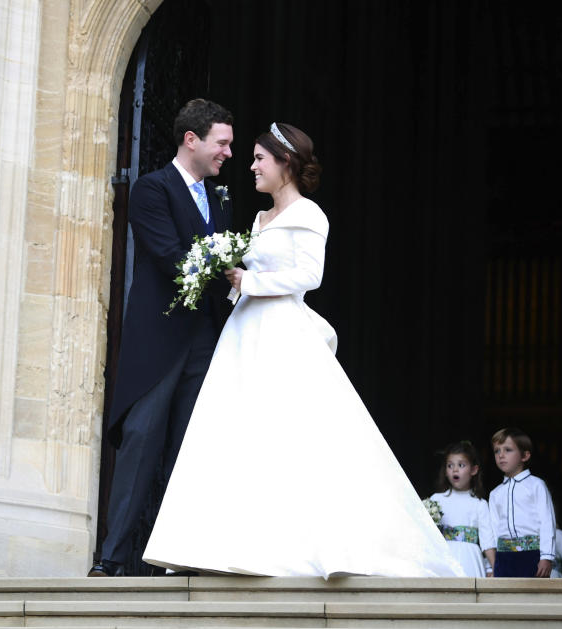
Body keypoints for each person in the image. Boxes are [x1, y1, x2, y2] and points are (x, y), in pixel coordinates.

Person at [141, 123, 463, 577]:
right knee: (238, 431)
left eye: (259, 158)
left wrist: (251, 281)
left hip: (282, 331)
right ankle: (220, 546)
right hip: (245, 332)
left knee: (289, 432)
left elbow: (311, 276)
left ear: (285, 163)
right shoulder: (257, 220)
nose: (250, 166)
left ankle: (296, 545)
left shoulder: (310, 214)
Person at [89, 99, 235, 577]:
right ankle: (112, 558)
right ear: (191, 139)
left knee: (191, 448)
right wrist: (229, 268)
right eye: (222, 143)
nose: (228, 153)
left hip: (204, 339)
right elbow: (172, 257)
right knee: (141, 442)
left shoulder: (219, 199)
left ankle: (179, 555)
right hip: (158, 341)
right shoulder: (151, 189)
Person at [489, 427, 556, 577]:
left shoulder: (536, 485)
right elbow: (494, 529)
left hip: (532, 555)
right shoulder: (495, 493)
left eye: (508, 450)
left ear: (525, 456)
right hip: (503, 558)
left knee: (532, 599)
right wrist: (490, 564)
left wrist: (546, 556)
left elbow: (547, 521)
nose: (501, 455)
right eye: (497, 451)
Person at [427, 441, 497, 577]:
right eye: (450, 465)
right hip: (444, 557)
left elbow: (487, 539)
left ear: (474, 470)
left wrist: (493, 567)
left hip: (470, 558)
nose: (455, 470)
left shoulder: (479, 504)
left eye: (461, 465)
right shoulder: (436, 499)